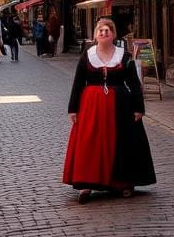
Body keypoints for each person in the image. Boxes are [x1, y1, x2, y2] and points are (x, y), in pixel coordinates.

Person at [63, 18, 156, 203]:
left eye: (107, 30)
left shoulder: (124, 55)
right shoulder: (87, 55)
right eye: (101, 30)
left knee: (122, 143)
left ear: (113, 34)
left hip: (120, 106)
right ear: (96, 34)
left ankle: (123, 183)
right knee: (90, 143)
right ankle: (86, 183)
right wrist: (73, 108)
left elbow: (134, 83)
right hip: (91, 108)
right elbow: (78, 82)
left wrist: (139, 107)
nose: (104, 33)